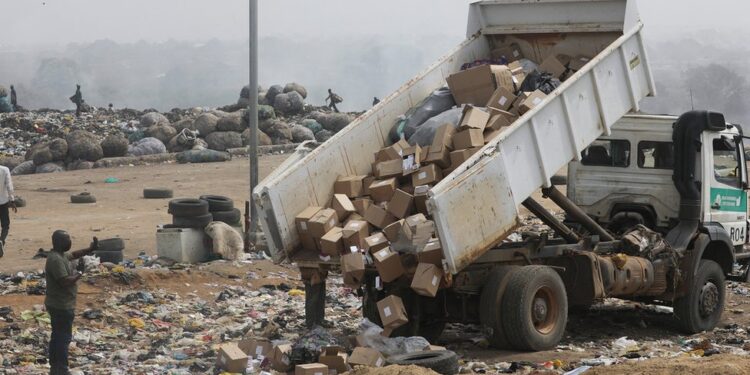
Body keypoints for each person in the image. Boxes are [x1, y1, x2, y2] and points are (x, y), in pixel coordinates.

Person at [45, 231, 97, 375]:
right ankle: (61, 369)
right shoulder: (55, 260)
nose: (69, 242)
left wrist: (89, 249)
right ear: (58, 242)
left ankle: (55, 368)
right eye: (67, 239)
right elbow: (64, 282)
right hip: (61, 305)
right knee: (63, 338)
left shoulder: (60, 255)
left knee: (57, 336)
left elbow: (73, 255)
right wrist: (80, 273)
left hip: (58, 303)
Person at [0, 165, 16, 257]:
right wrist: (12, 200)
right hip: (3, 202)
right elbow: (9, 186)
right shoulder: (5, 169)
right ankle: (2, 241)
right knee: (5, 225)